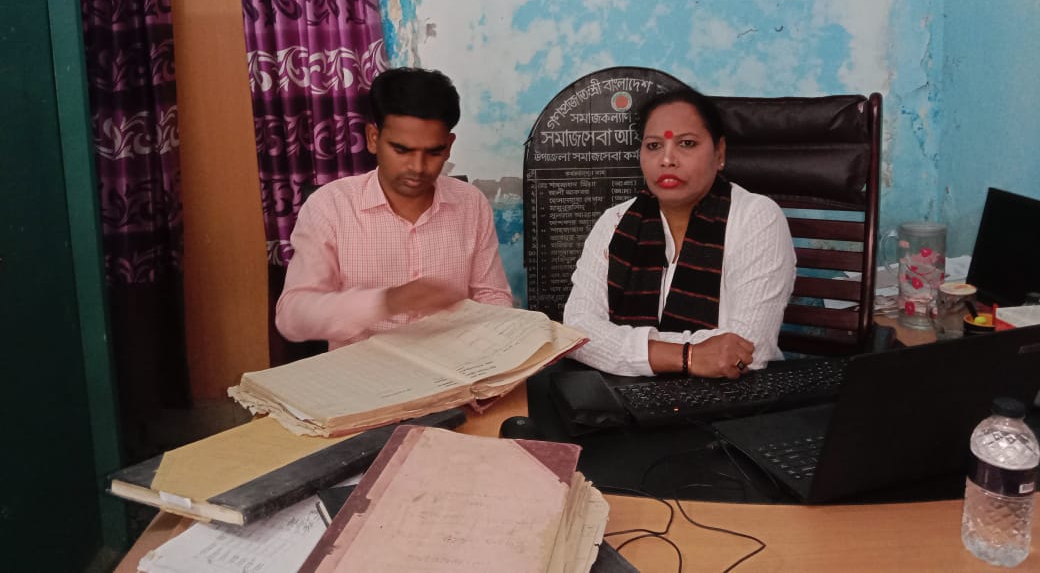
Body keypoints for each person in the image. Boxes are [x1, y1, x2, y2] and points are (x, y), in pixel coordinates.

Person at [563, 87, 796, 378]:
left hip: (736, 396)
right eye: (653, 146)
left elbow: (746, 353)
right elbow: (575, 333)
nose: (667, 160)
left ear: (720, 153)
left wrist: (615, 346)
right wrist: (689, 356)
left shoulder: (756, 218)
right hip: (626, 396)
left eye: (686, 143)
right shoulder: (616, 221)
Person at [276, 67, 514, 350]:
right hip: (365, 370)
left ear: (449, 146)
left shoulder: (471, 203)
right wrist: (386, 302)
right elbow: (292, 316)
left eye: (434, 152)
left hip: (455, 365)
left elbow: (492, 296)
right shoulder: (330, 206)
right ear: (373, 138)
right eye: (401, 150)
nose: (418, 167)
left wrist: (500, 345)